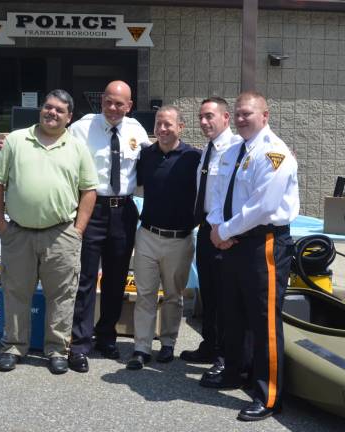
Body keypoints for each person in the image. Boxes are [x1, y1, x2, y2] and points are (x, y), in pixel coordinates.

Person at [201, 91, 299, 422]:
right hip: (232, 242)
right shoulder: (233, 151)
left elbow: (264, 206)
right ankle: (234, 372)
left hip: (264, 244)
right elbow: (218, 194)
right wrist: (217, 227)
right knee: (233, 313)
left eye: (248, 114)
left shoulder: (273, 153)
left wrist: (224, 232)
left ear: (265, 115)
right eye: (239, 113)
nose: (242, 118)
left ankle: (268, 395)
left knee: (263, 320)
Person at [0, 89, 98, 375]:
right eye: (48, 107)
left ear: (69, 117)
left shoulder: (77, 148)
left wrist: (79, 230)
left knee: (62, 295)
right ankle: (13, 346)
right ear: (41, 110)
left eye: (60, 110)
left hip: (61, 234)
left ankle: (57, 350)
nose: (52, 113)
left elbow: (89, 190)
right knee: (15, 292)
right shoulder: (16, 140)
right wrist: (1, 225)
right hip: (19, 233)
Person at [67, 81, 149, 373]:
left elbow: (159, 157)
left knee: (116, 278)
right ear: (102, 100)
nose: (113, 109)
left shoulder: (137, 131)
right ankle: (78, 343)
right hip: (92, 209)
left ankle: (107, 336)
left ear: (129, 105)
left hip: (124, 211)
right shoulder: (81, 128)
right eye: (109, 102)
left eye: (120, 104)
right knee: (85, 279)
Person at [126, 105, 201, 370]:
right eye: (159, 124)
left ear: (181, 126)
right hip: (147, 235)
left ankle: (168, 343)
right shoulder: (146, 155)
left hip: (179, 240)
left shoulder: (194, 158)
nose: (162, 129)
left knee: (173, 295)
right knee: (145, 294)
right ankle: (141, 348)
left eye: (168, 124)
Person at [180, 97, 242, 377]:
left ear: (226, 117)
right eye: (201, 117)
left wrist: (226, 230)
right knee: (209, 292)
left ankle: (224, 355)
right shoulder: (208, 150)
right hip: (206, 229)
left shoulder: (237, 149)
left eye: (209, 116)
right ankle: (210, 344)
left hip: (227, 233)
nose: (204, 122)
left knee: (226, 296)